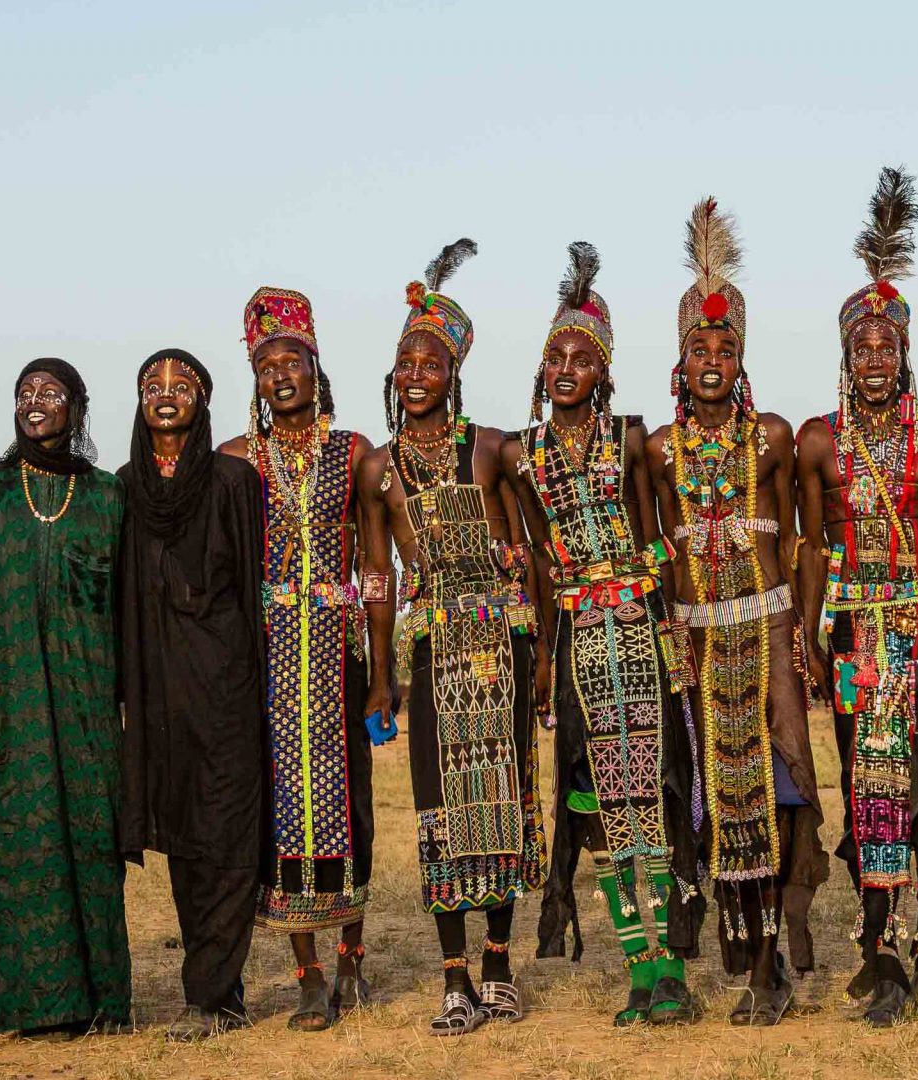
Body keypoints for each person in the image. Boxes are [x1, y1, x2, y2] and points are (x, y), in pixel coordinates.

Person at [795, 167, 918, 1027]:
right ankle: (881, 949)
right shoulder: (817, 444)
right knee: (867, 789)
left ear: (906, 354)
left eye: (887, 348)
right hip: (850, 643)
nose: (874, 360)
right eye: (860, 348)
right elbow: (808, 543)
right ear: (845, 357)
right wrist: (804, 631)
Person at [645, 198, 829, 1026]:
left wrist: (810, 637)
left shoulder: (775, 439)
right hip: (697, 640)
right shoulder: (656, 450)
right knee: (717, 805)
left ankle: (774, 960)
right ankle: (745, 955)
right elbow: (658, 552)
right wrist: (671, 629)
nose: (712, 359)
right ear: (679, 360)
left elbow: (802, 540)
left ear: (743, 356)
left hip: (770, 630)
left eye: (726, 347)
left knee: (784, 789)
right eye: (698, 347)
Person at [512, 243, 704, 1027]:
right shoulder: (523, 458)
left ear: (605, 373)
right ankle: (637, 967)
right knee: (599, 810)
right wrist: (549, 664)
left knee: (653, 799)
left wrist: (661, 602)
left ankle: (674, 973)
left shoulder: (630, 437)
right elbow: (536, 564)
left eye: (580, 358)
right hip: (580, 643)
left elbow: (671, 531)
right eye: (554, 355)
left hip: (641, 636)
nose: (565, 367)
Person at [371, 241, 548, 1035]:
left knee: (499, 804)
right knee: (441, 807)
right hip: (430, 648)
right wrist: (381, 676)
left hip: (500, 644)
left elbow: (541, 550)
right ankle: (453, 979)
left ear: (455, 374)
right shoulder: (379, 471)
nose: (416, 374)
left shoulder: (496, 449)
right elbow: (378, 580)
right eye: (405, 361)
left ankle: (501, 965)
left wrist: (542, 652)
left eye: (431, 362)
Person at [219, 287, 396, 1031]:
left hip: (339, 651)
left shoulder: (355, 453)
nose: (281, 374)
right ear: (256, 380)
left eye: (293, 360)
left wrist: (384, 675)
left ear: (316, 370)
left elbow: (379, 565)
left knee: (348, 804)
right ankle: (308, 975)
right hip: (265, 657)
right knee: (279, 812)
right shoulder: (234, 459)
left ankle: (352, 952)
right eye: (267, 365)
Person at [0, 358, 131, 1036]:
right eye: (25, 393)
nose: (37, 403)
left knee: (90, 840)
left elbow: (123, 603)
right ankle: (33, 1007)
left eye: (52, 393)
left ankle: (103, 1003)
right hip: (4, 700)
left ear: (78, 409)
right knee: (14, 841)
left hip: (88, 700)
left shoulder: (106, 496)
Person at [117, 348, 266, 1041]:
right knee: (182, 835)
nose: (166, 394)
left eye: (182, 385)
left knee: (229, 834)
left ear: (204, 401)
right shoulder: (123, 489)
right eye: (154, 385)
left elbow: (253, 590)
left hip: (227, 684)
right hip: (158, 690)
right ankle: (213, 989)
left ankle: (214, 993)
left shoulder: (235, 481)